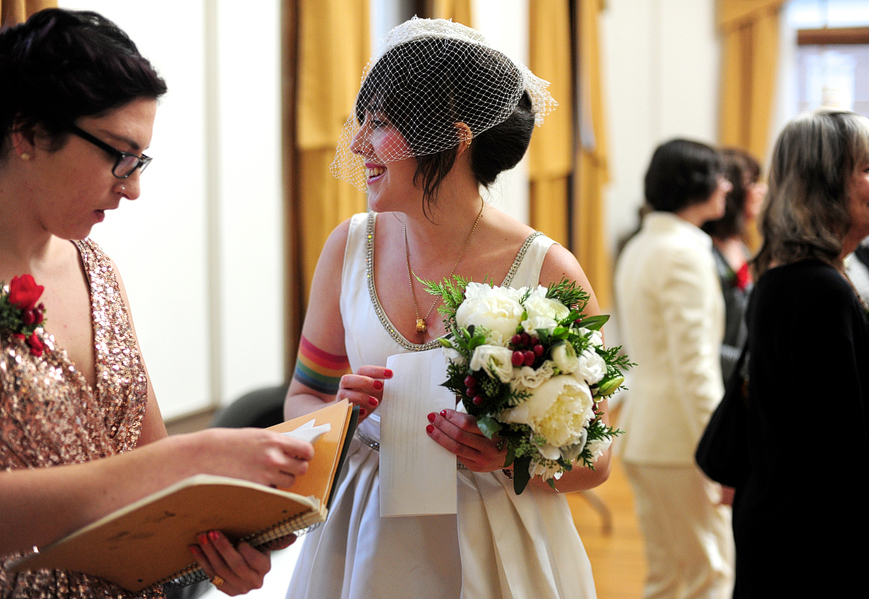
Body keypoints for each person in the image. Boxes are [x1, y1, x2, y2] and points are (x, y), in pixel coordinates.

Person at [283, 17, 610, 599]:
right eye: (362, 123)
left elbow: (598, 457)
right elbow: (301, 398)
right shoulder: (348, 247)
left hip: (495, 539)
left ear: (454, 137)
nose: (358, 145)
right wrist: (336, 412)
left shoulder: (547, 271)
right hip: (362, 531)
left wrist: (513, 458)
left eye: (378, 125)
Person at [0, 9, 314, 598]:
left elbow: (154, 474)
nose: (133, 186)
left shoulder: (97, 272)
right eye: (119, 154)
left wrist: (219, 545)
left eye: (140, 161)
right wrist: (188, 458)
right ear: (29, 132)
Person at [734, 109, 869, 597]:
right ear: (822, 185)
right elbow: (838, 451)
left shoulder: (802, 276)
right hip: (812, 547)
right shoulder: (814, 289)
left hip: (796, 527)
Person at [615, 139, 734, 599]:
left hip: (646, 433)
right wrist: (721, 448)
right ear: (695, 184)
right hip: (682, 442)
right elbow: (694, 365)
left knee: (665, 578)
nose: (726, 185)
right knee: (711, 575)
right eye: (718, 175)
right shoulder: (685, 252)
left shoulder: (641, 244)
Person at [701, 148, 766, 383]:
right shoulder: (706, 252)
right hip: (720, 383)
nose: (762, 190)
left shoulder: (744, 247)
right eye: (752, 182)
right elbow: (704, 346)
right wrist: (762, 367)